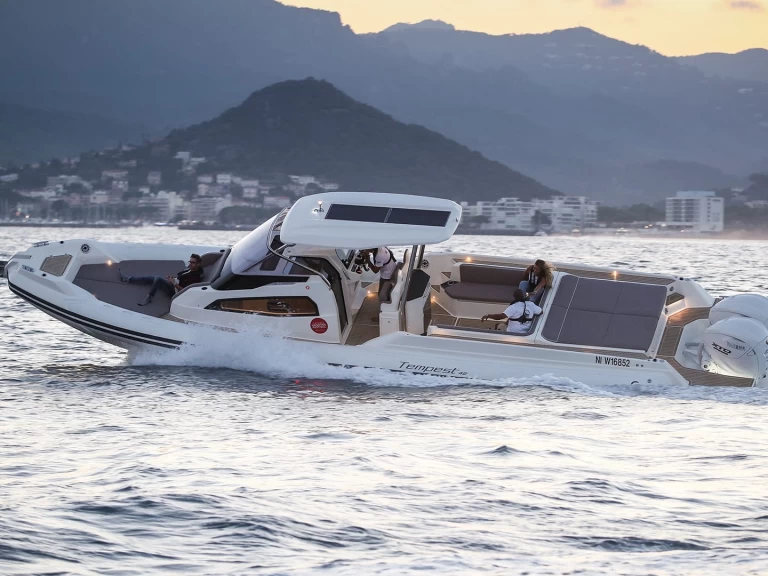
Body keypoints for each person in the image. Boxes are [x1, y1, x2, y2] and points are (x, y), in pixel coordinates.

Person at [120, 254, 204, 306]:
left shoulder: (195, 277)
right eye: (190, 262)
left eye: (193, 262)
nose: (190, 264)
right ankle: (128, 279)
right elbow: (182, 277)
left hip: (175, 292)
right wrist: (172, 278)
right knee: (151, 278)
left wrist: (174, 283)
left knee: (158, 278)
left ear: (198, 264)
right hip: (173, 284)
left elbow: (186, 291)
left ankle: (149, 297)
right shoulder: (190, 270)